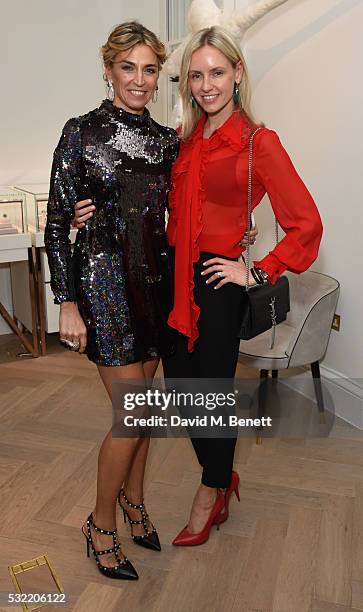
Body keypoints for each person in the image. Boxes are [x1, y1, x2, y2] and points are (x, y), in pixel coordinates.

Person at [162, 26, 323, 546]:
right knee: (181, 392)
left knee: (209, 392)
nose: (207, 84)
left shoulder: (259, 142)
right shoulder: (187, 142)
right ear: (187, 81)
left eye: (217, 72)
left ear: (237, 75)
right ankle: (223, 474)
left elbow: (305, 223)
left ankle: (210, 491)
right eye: (196, 74)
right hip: (175, 274)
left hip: (216, 279)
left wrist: (254, 269)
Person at [44, 21, 180, 580]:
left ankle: (135, 501)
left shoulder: (170, 141)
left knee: (143, 413)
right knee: (134, 414)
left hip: (155, 288)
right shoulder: (81, 132)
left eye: (150, 69)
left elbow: (181, 213)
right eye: (129, 68)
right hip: (104, 288)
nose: (140, 80)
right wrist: (66, 300)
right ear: (109, 70)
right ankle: (100, 524)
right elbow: (56, 222)